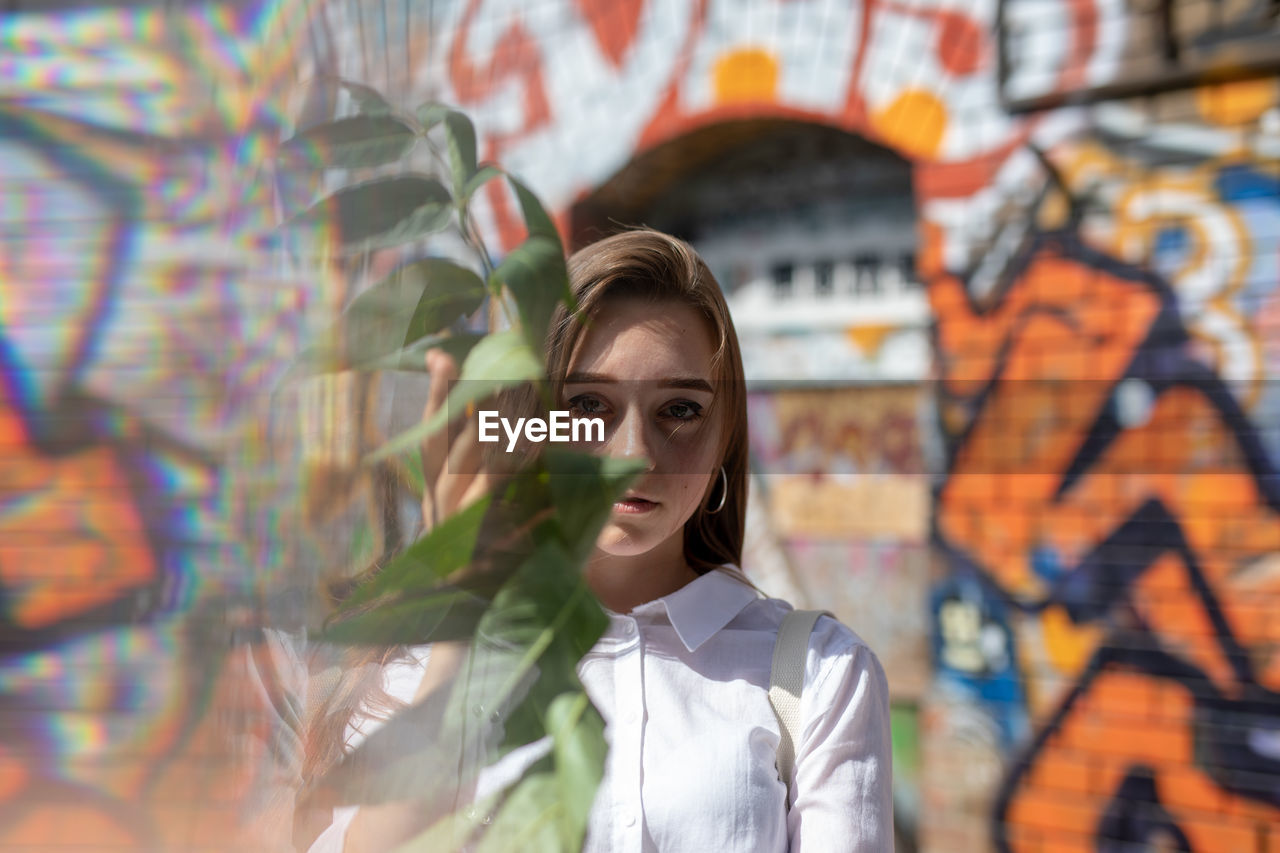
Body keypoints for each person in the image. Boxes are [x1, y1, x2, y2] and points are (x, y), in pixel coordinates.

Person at [301, 229, 893, 852]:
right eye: (587, 403)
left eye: (681, 409)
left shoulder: (820, 674)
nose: (634, 454)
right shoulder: (427, 670)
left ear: (726, 438)